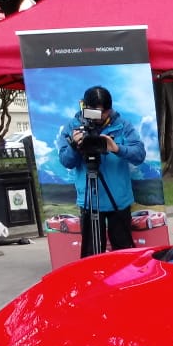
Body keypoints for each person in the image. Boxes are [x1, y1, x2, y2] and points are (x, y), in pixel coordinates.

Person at [57, 86, 145, 257]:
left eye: (104, 113)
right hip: (90, 201)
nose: (100, 117)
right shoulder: (72, 127)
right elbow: (66, 161)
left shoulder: (122, 125)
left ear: (110, 109)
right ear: (85, 108)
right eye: (94, 113)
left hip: (118, 200)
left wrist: (117, 148)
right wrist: (75, 146)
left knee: (124, 253)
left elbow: (139, 155)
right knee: (91, 255)